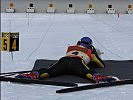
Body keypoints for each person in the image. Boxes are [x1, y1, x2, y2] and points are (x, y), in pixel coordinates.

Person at [16, 37, 117, 83]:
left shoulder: (71, 48)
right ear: (90, 45)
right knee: (87, 72)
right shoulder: (90, 51)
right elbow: (101, 65)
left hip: (64, 60)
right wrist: (92, 57)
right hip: (77, 62)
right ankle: (98, 77)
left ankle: (34, 74)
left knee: (49, 71)